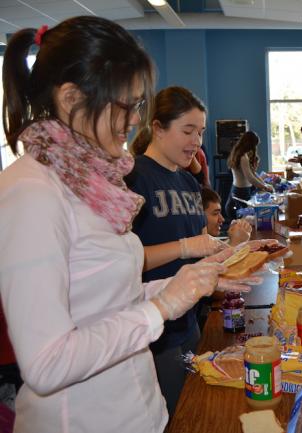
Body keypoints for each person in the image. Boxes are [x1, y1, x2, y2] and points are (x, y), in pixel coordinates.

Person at [0, 17, 241, 432]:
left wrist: (188, 284)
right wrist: (161, 307)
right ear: (72, 98)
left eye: (137, 105)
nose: (133, 120)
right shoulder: (30, 191)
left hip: (138, 409)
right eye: (125, 105)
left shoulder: (90, 183)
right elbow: (46, 363)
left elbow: (107, 301)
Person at [126, 86, 251, 417]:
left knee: (198, 406)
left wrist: (236, 250)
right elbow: (122, 262)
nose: (197, 141)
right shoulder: (134, 177)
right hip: (154, 324)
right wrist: (184, 247)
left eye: (200, 131)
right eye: (187, 130)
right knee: (177, 415)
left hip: (190, 321)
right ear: (157, 128)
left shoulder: (187, 183)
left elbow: (200, 251)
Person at [225, 130, 273, 220]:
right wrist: (265, 187)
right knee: (244, 220)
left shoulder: (239, 153)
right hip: (241, 192)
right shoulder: (243, 157)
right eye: (254, 145)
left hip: (239, 190)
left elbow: (253, 173)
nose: (254, 148)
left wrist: (265, 185)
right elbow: (250, 177)